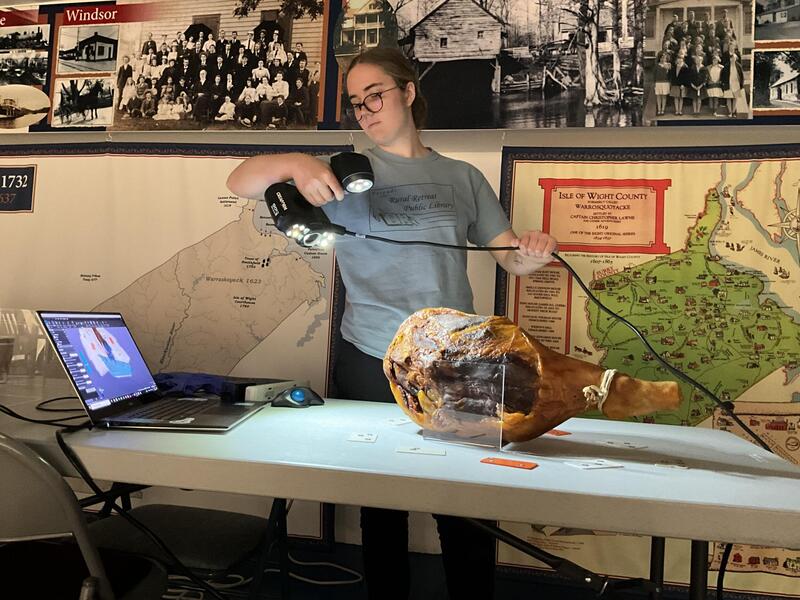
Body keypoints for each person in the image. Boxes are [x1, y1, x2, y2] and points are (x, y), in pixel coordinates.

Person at [226, 47, 557, 600]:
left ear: (408, 92)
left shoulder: (463, 176)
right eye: (356, 103)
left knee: (466, 503)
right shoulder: (341, 176)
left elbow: (510, 258)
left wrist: (535, 251)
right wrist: (297, 164)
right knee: (383, 503)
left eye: (375, 95)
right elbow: (242, 180)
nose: (365, 110)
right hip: (371, 355)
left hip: (459, 359)